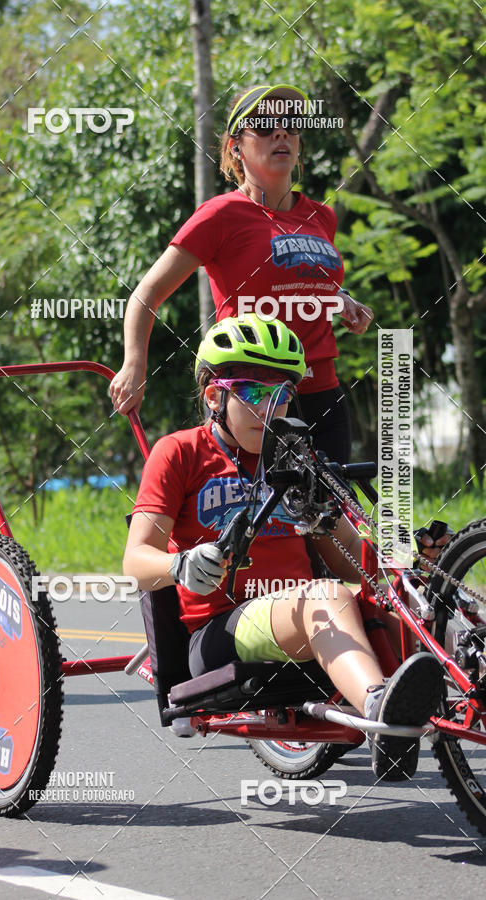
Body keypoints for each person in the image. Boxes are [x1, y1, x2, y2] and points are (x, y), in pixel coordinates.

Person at [123, 315, 446, 781]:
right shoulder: (178, 452)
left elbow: (352, 562)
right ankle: (382, 710)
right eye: (255, 394)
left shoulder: (297, 457)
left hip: (298, 618)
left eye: (282, 396)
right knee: (326, 597)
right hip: (218, 635)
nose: (270, 411)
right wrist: (180, 564)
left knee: (402, 607)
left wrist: (417, 567)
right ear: (215, 396)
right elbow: (135, 561)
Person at [110, 82, 374, 464]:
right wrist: (134, 366)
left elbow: (299, 278)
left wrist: (342, 299)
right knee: (259, 521)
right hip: (253, 397)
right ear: (236, 145)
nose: (280, 132)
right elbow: (146, 293)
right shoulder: (220, 216)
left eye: (290, 124)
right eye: (265, 126)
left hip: (322, 394)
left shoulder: (321, 216)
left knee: (330, 519)